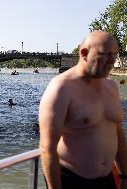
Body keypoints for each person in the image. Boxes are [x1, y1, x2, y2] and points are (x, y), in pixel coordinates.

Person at [39, 30, 127, 189]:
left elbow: (118, 134)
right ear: (84, 53)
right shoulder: (61, 88)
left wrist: (124, 175)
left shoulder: (112, 87)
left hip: (107, 179)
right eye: (104, 54)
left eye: (114, 54)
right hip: (73, 179)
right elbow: (48, 149)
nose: (111, 61)